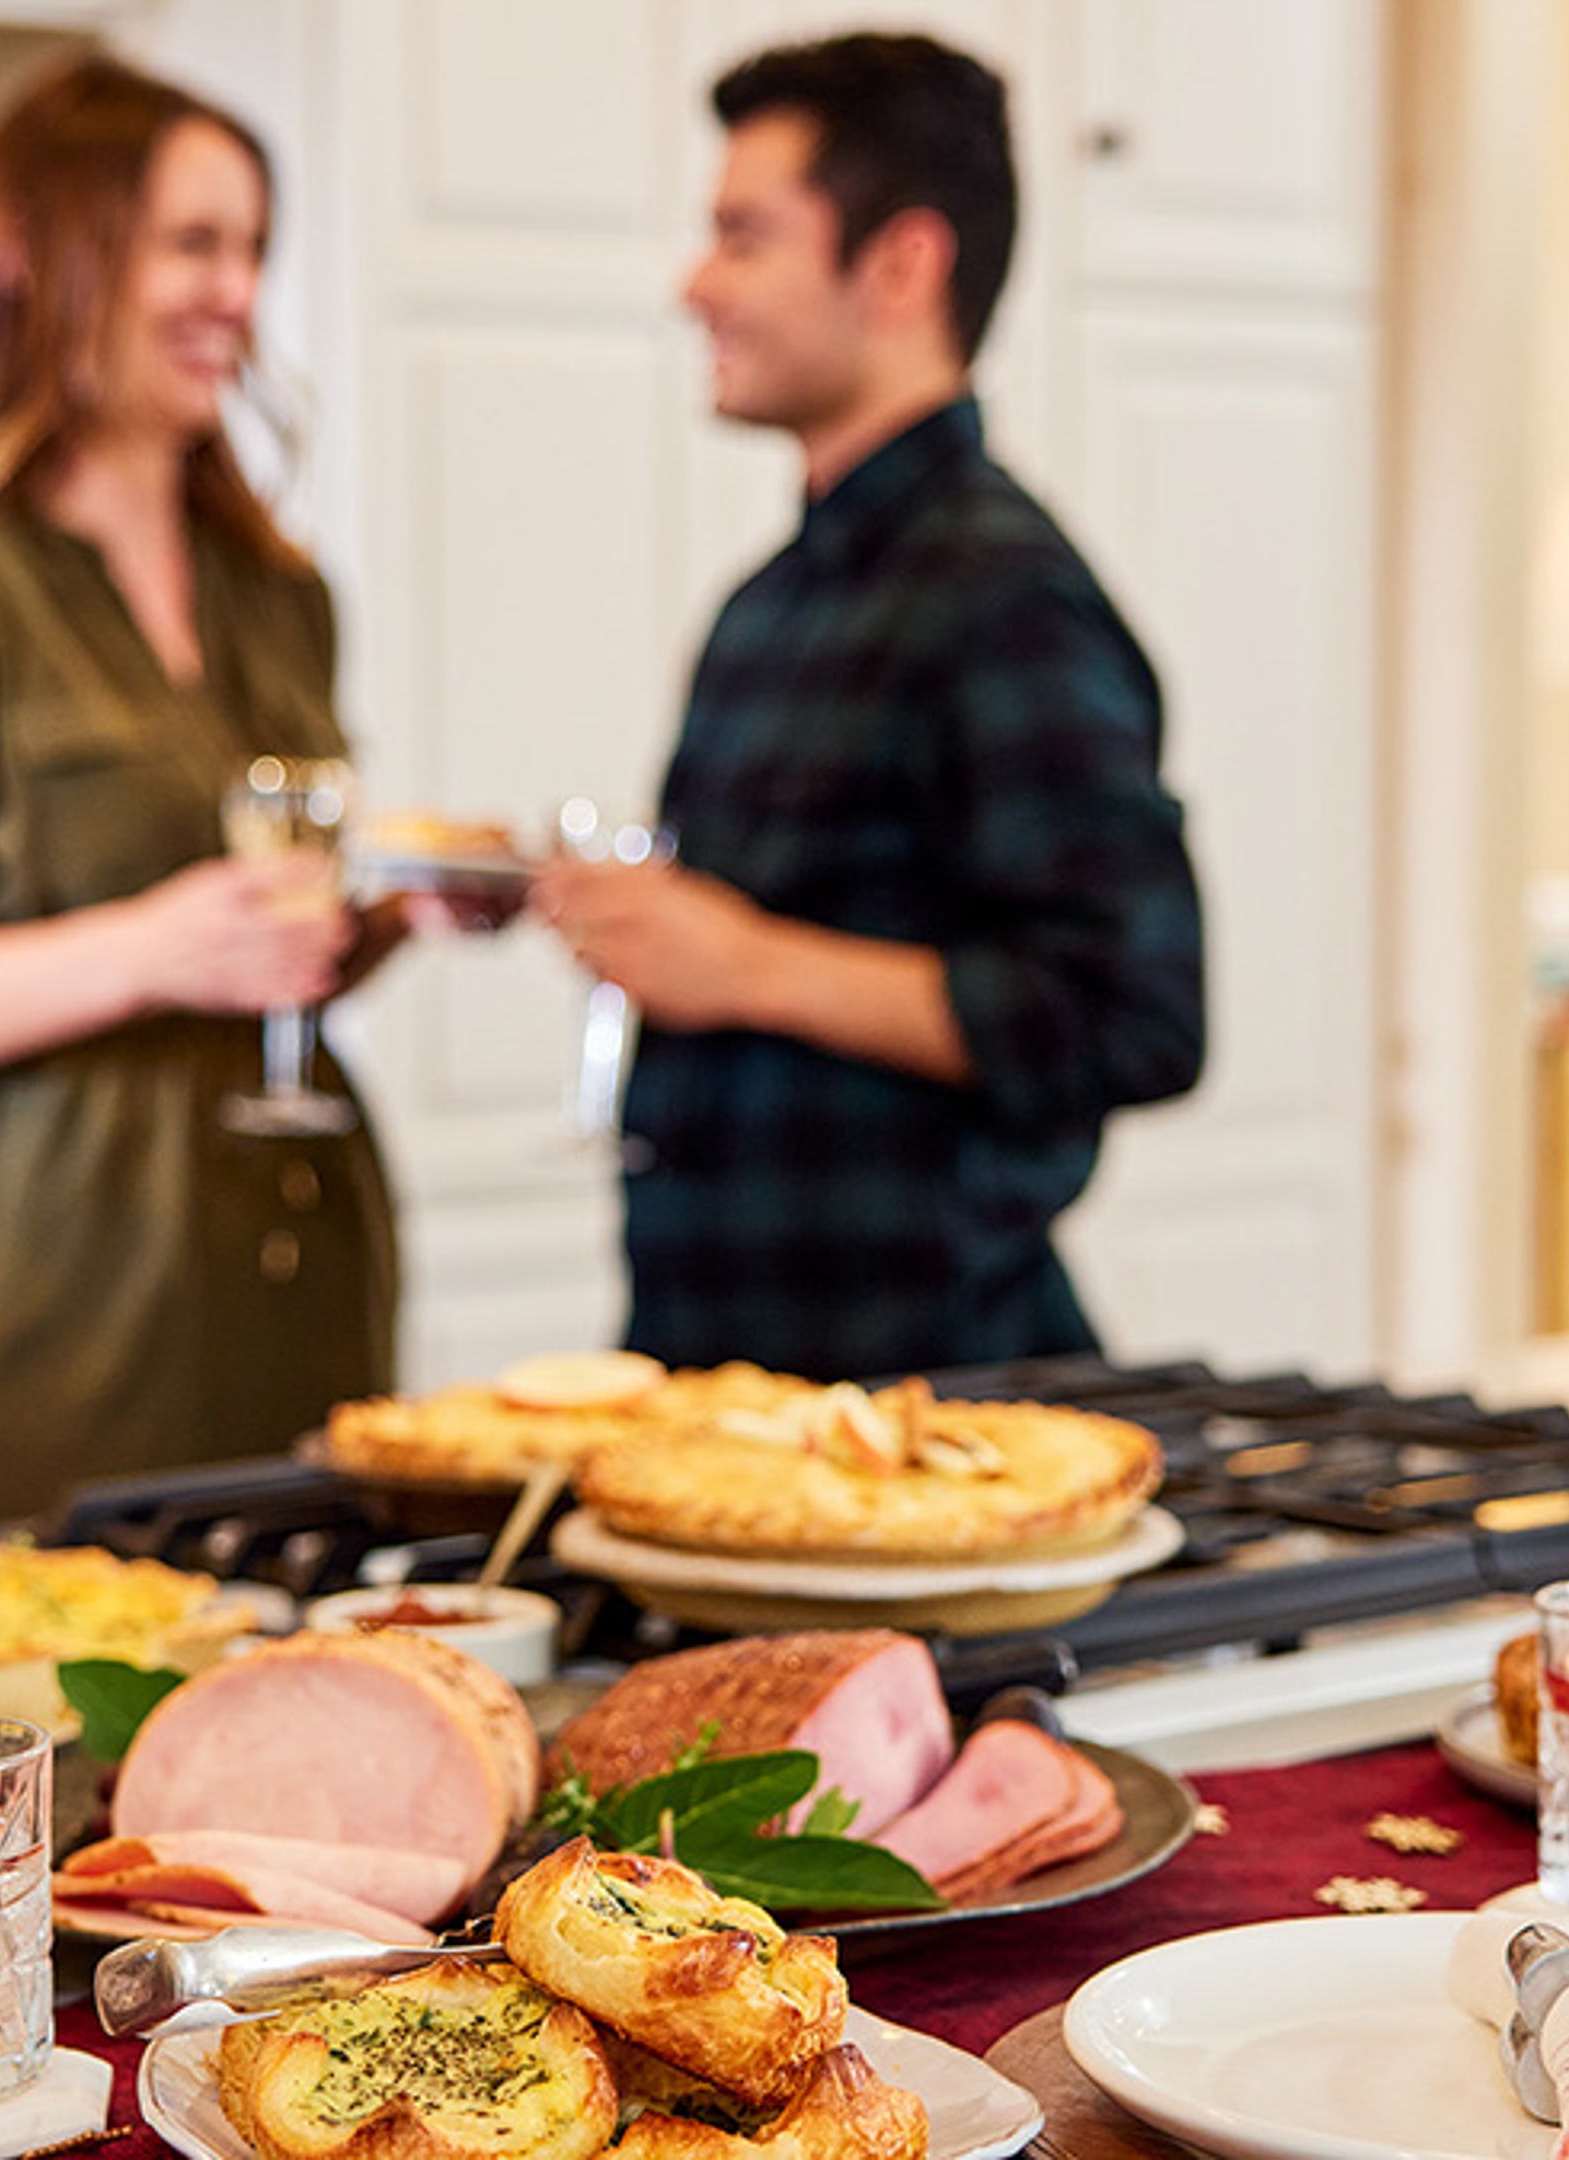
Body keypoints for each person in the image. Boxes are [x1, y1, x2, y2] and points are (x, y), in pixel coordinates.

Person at [0, 54, 397, 1535]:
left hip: (302, 1284)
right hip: (61, 1305)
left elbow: (265, 941)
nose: (237, 292)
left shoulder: (279, 592)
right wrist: (153, 949)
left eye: (251, 249)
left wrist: (376, 923)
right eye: (194, 244)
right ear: (50, 257)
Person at [536, 31, 1207, 1380]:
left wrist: (745, 964)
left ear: (900, 265)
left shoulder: (1005, 596)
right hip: (719, 1383)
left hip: (929, 1408)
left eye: (744, 237)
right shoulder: (768, 603)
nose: (696, 284)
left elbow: (1136, 1014)